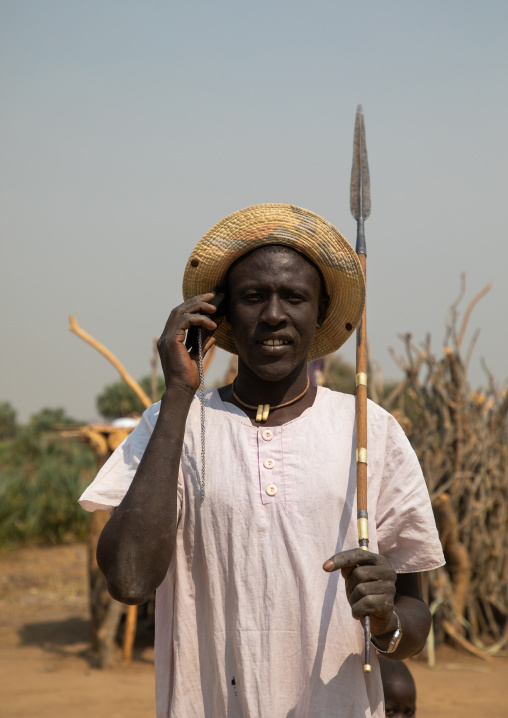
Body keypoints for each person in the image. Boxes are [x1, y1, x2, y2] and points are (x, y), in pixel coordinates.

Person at [79, 203, 444, 717]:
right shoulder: (174, 421)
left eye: (294, 297)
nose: (274, 313)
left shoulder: (370, 431)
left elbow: (415, 619)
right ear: (221, 315)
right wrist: (181, 394)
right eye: (253, 297)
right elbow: (130, 580)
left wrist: (386, 621)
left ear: (319, 312)